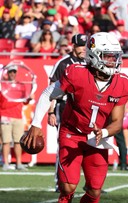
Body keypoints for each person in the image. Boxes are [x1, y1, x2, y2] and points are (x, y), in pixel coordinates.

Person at [23, 32, 128, 203]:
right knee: (68, 185)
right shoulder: (76, 72)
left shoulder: (123, 83)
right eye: (108, 56)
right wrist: (36, 123)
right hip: (72, 133)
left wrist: (106, 131)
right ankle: (67, 193)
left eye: (115, 56)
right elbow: (48, 93)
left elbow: (118, 121)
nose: (114, 60)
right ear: (94, 55)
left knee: (95, 190)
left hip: (97, 139)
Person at [48, 33, 87, 191]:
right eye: (80, 45)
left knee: (88, 145)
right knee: (64, 144)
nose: (83, 49)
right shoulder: (63, 63)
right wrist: (51, 111)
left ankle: (90, 183)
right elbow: (51, 88)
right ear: (73, 46)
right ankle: (60, 181)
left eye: (85, 46)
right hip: (64, 105)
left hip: (84, 107)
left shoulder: (89, 62)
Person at [0, 65, 28, 171]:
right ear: (7, 73)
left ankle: (19, 163)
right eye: (10, 72)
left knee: (18, 141)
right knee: (6, 141)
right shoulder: (2, 85)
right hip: (5, 115)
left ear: (16, 73)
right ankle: (6, 163)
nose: (12, 74)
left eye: (14, 72)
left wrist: (29, 98)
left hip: (17, 116)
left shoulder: (21, 85)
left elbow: (25, 100)